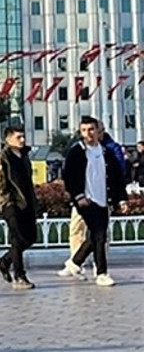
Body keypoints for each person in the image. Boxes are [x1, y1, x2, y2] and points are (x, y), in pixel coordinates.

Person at [61, 116, 129, 286]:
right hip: (86, 201)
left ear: (98, 131)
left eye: (91, 129)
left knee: (97, 236)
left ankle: (75, 261)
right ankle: (102, 273)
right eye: (84, 130)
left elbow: (116, 177)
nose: (88, 134)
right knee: (99, 235)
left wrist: (121, 199)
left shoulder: (106, 152)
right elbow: (69, 176)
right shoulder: (77, 151)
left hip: (104, 200)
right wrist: (78, 196)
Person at [0, 125, 39, 290]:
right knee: (17, 239)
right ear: (8, 139)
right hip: (11, 204)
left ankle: (4, 262)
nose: (22, 140)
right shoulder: (2, 158)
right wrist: (7, 202)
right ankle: (20, 275)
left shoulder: (24, 156)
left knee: (30, 238)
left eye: (23, 136)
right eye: (18, 137)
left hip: (27, 203)